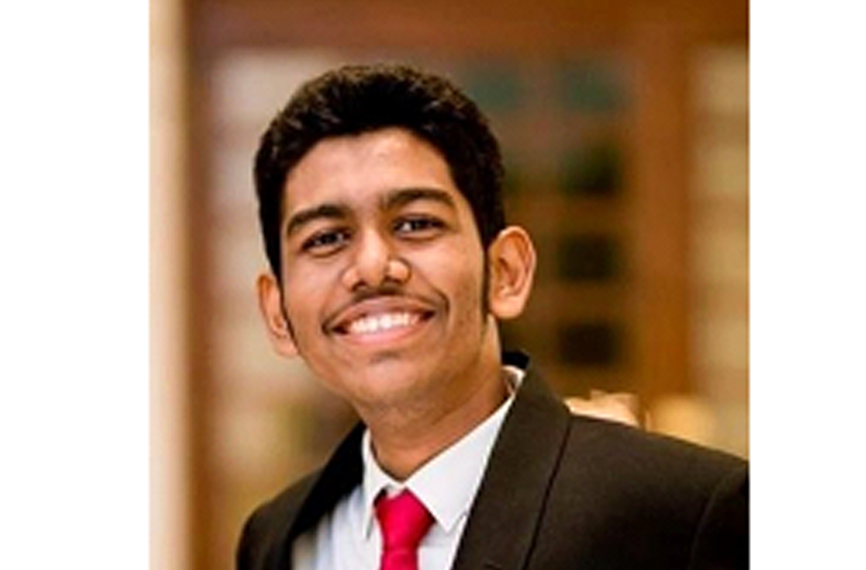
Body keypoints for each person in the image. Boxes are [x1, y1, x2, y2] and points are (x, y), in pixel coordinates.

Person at [238, 64, 748, 570]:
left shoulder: (687, 515)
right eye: (326, 239)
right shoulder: (277, 539)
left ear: (505, 271)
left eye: (416, 224)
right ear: (278, 312)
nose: (371, 267)